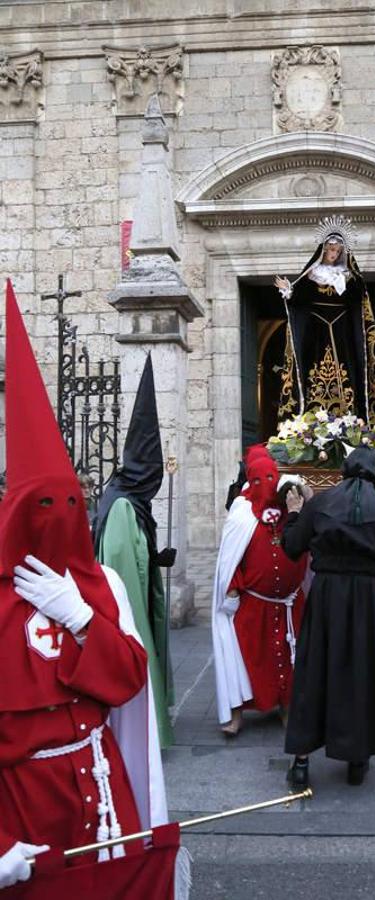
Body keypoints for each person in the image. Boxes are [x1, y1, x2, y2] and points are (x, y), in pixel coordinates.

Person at [0, 282, 167, 890]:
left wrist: (81, 618)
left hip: (103, 792)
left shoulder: (101, 589)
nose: (61, 516)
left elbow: (127, 679)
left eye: (71, 503)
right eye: (44, 505)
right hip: (25, 808)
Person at [281, 446, 375, 788]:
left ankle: (302, 761)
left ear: (345, 470)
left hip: (327, 597)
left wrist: (293, 513)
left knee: (314, 671)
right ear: (374, 471)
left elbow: (291, 546)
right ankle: (356, 758)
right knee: (364, 671)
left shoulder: (320, 503)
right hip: (368, 599)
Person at [93, 355, 175, 750]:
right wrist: (150, 563)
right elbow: (125, 568)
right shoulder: (123, 506)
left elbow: (139, 555)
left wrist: (158, 558)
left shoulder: (127, 501)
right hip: (126, 610)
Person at [212, 446, 308, 736]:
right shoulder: (241, 515)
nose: (264, 485)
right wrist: (232, 588)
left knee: (292, 659)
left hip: (291, 604)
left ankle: (288, 707)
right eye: (258, 480)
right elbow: (230, 560)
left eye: (270, 478)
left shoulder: (292, 507)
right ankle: (237, 711)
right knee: (245, 658)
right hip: (254, 605)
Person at [274, 215, 375, 430]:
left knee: (348, 368)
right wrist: (288, 291)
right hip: (317, 330)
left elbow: (359, 302)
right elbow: (299, 300)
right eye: (330, 250)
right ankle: (315, 416)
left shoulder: (348, 276)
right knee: (316, 370)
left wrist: (355, 282)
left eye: (337, 251)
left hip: (343, 330)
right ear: (323, 250)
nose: (333, 254)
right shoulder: (312, 274)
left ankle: (351, 415)